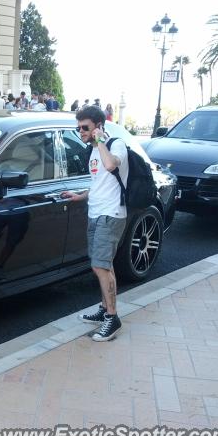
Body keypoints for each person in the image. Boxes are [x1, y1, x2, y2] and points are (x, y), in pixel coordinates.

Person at [61, 105, 129, 342]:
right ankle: (104, 309)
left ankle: (112, 317)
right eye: (78, 127)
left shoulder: (114, 145)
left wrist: (100, 140)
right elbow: (100, 183)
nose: (81, 132)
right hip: (96, 212)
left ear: (98, 126)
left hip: (111, 214)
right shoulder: (93, 151)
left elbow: (111, 165)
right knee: (101, 264)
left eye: (85, 127)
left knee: (101, 266)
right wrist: (80, 195)